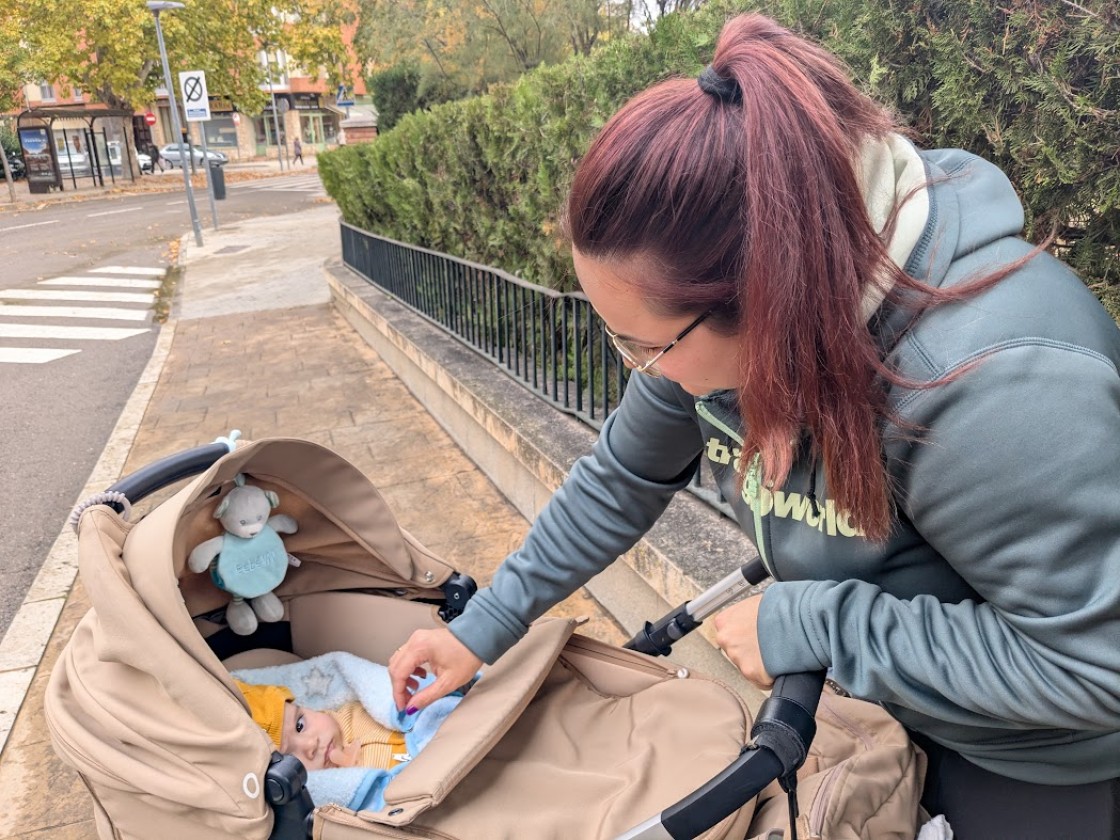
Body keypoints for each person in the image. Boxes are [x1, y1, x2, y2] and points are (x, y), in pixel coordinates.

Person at [389, 13, 1120, 839]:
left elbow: (1096, 663)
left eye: (643, 345)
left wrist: (816, 624)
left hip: (1042, 760)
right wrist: (482, 628)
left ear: (765, 303)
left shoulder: (998, 383)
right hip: (896, 714)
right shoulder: (728, 327)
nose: (643, 369)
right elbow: (621, 479)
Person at [234, 678, 408, 771]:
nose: (311, 744)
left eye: (300, 725)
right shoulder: (334, 794)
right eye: (289, 757)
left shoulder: (361, 709)